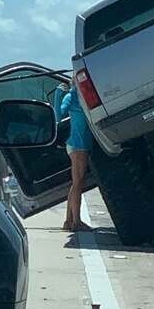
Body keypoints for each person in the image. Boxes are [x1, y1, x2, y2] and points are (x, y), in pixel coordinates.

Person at [59, 83, 94, 232]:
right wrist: (59, 95)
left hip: (79, 144)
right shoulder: (72, 96)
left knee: (76, 183)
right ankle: (77, 221)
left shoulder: (79, 96)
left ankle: (69, 220)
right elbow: (59, 114)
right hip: (78, 145)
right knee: (78, 183)